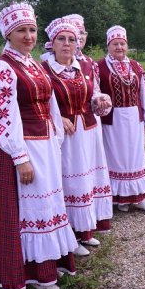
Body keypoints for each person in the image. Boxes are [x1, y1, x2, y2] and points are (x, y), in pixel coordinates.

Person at [0, 3, 78, 289]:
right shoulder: (1, 67)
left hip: (44, 144)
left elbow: (50, 104)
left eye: (32, 30)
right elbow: (1, 118)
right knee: (31, 208)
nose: (28, 36)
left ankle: (47, 269)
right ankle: (31, 274)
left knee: (48, 205)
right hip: (21, 147)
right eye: (21, 30)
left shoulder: (33, 64)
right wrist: (20, 157)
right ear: (8, 34)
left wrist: (56, 140)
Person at [41, 17, 113, 257]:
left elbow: (91, 94)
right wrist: (57, 118)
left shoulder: (82, 67)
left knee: (88, 180)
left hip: (88, 131)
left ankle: (85, 230)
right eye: (61, 39)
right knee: (71, 182)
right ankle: (71, 233)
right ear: (52, 43)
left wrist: (98, 100)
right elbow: (38, 104)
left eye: (71, 39)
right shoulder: (45, 70)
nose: (67, 44)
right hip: (66, 137)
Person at [98, 26, 145, 214]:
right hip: (113, 120)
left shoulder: (135, 66)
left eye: (122, 43)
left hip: (134, 118)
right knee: (116, 158)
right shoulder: (99, 67)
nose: (119, 47)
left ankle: (141, 198)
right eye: (115, 44)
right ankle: (121, 199)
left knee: (136, 157)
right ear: (108, 45)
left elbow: (144, 91)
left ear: (127, 45)